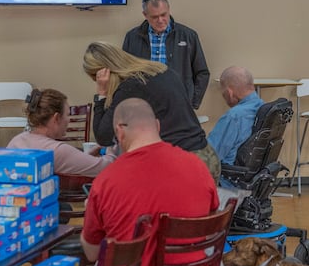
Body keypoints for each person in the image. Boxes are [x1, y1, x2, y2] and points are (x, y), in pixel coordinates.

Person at [80, 98, 219, 266]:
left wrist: (91, 212)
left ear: (119, 131)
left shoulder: (105, 182)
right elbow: (209, 224)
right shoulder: (199, 167)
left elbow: (92, 253)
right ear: (157, 126)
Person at [83, 41, 220, 182]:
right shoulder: (161, 70)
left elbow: (103, 136)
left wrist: (101, 95)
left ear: (103, 73)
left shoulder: (131, 86)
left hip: (182, 165)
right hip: (206, 156)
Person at [122, 0, 210, 109]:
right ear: (145, 15)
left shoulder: (188, 36)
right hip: (142, 104)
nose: (160, 20)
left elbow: (202, 73)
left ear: (169, 10)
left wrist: (192, 103)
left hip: (178, 104)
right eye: (154, 17)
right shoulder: (132, 37)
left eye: (164, 14)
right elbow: (124, 72)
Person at [7, 88, 116, 176]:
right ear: (57, 118)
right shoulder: (57, 150)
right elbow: (107, 167)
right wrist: (110, 147)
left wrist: (87, 156)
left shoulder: (17, 140)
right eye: (67, 115)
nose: (68, 120)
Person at [208, 66, 264, 166]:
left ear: (229, 93)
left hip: (227, 178)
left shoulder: (234, 117)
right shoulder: (263, 107)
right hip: (254, 177)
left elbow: (209, 156)